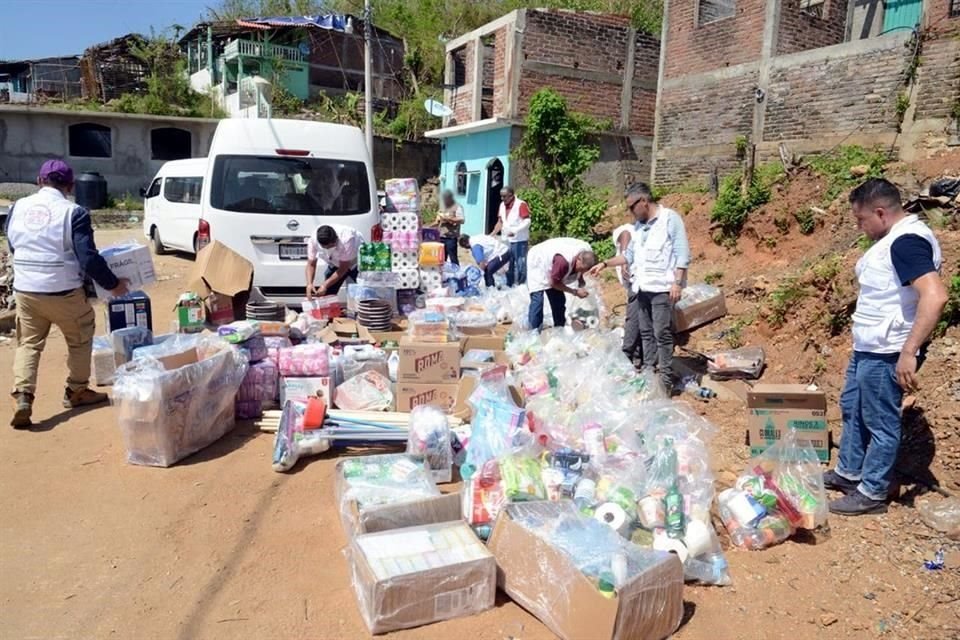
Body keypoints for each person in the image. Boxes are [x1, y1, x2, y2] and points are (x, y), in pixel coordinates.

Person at [824, 178, 947, 516]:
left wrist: (909, 351)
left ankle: (873, 491)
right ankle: (849, 473)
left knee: (880, 423)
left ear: (880, 212)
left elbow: (935, 296)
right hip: (869, 347)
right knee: (853, 409)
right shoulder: (893, 239)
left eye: (860, 220)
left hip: (888, 351)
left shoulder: (907, 243)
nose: (858, 226)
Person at [5, 159, 130, 429]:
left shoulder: (17, 207)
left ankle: (23, 395)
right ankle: (76, 391)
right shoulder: (74, 212)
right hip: (63, 292)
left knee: (29, 344)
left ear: (39, 181)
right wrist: (113, 285)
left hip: (26, 291)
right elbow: (88, 258)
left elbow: (13, 244)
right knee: (80, 338)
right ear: (70, 186)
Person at [590, 183, 690, 392]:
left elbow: (682, 254)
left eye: (631, 207)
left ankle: (665, 381)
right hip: (642, 288)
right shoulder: (638, 227)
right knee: (645, 332)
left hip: (663, 289)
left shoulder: (670, 219)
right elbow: (629, 256)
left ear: (643, 201)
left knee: (661, 333)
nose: (630, 212)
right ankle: (647, 371)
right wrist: (605, 263)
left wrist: (677, 283)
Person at [526, 238, 597, 331]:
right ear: (579, 259)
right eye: (581, 268)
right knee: (538, 300)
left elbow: (583, 268)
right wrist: (575, 292)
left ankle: (559, 330)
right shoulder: (563, 262)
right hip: (539, 260)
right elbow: (554, 283)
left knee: (558, 301)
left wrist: (580, 278)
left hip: (554, 261)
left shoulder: (588, 253)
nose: (582, 271)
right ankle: (533, 334)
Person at [305, 224, 362, 299]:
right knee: (326, 295)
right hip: (335, 263)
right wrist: (309, 284)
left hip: (356, 262)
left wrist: (324, 285)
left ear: (336, 240)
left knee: (365, 294)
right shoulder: (313, 240)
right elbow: (311, 264)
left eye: (331, 246)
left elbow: (343, 268)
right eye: (325, 247)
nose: (328, 249)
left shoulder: (346, 239)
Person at [612, 221, 640, 365]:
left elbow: (625, 235)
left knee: (633, 319)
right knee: (643, 321)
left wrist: (624, 262)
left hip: (636, 282)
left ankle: (628, 355)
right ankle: (638, 355)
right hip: (639, 282)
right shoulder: (641, 232)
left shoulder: (624, 229)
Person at [491, 186, 530, 286]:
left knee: (520, 263)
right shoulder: (502, 205)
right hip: (506, 239)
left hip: (519, 239)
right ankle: (510, 283)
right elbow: (500, 221)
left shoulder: (521, 204)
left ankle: (521, 284)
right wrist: (493, 233)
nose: (502, 199)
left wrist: (515, 230)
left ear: (511, 196)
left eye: (504, 196)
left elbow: (527, 221)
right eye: (501, 197)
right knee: (508, 263)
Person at [436, 190, 465, 266]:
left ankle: (457, 274)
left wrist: (448, 219)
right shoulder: (442, 208)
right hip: (441, 237)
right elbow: (437, 222)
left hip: (451, 238)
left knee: (453, 259)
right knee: (441, 259)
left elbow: (461, 220)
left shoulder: (457, 207)